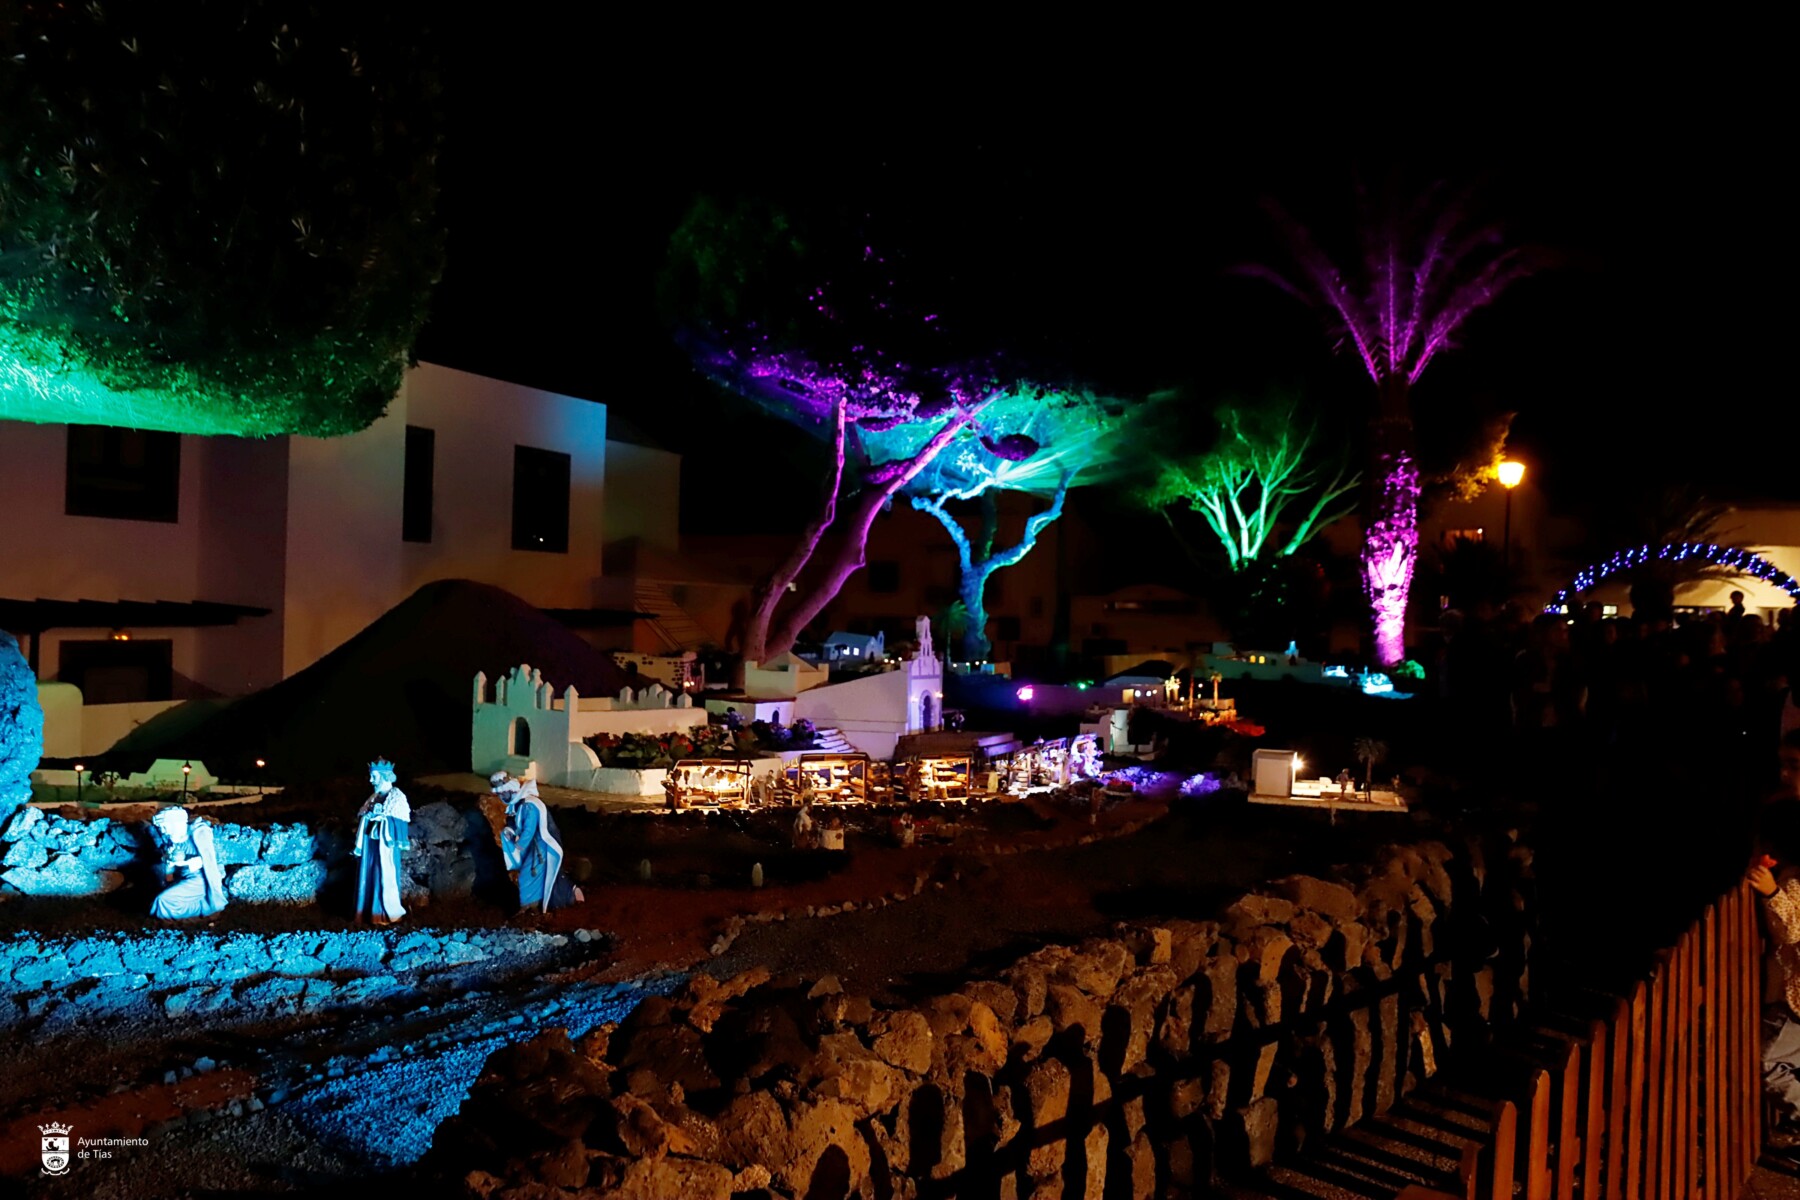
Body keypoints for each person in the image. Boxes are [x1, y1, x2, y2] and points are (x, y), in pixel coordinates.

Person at [491, 771, 583, 914]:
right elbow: (517, 825)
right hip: (534, 846)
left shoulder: (529, 805)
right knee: (542, 876)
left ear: (511, 790)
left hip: (542, 846)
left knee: (527, 876)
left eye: (504, 793)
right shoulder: (519, 805)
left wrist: (519, 845)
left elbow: (529, 830)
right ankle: (535, 906)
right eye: (500, 794)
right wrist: (510, 831)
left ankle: (530, 907)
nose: (502, 797)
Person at [352, 758, 411, 925]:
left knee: (383, 876)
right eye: (371, 776)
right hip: (370, 846)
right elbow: (363, 816)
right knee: (368, 876)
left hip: (385, 847)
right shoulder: (373, 797)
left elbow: (399, 822)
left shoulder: (397, 798)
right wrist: (368, 817)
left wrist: (383, 820)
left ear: (385, 776)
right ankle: (365, 912)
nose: (371, 780)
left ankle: (384, 914)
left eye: (375, 777)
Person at [148, 807, 227, 920]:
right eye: (161, 828)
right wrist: (169, 861)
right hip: (182, 878)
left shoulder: (198, 834)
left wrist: (184, 862)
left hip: (198, 880)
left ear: (174, 823)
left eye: (164, 827)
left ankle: (202, 908)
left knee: (163, 900)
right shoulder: (174, 839)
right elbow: (170, 869)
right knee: (158, 898)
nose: (163, 831)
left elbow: (207, 860)